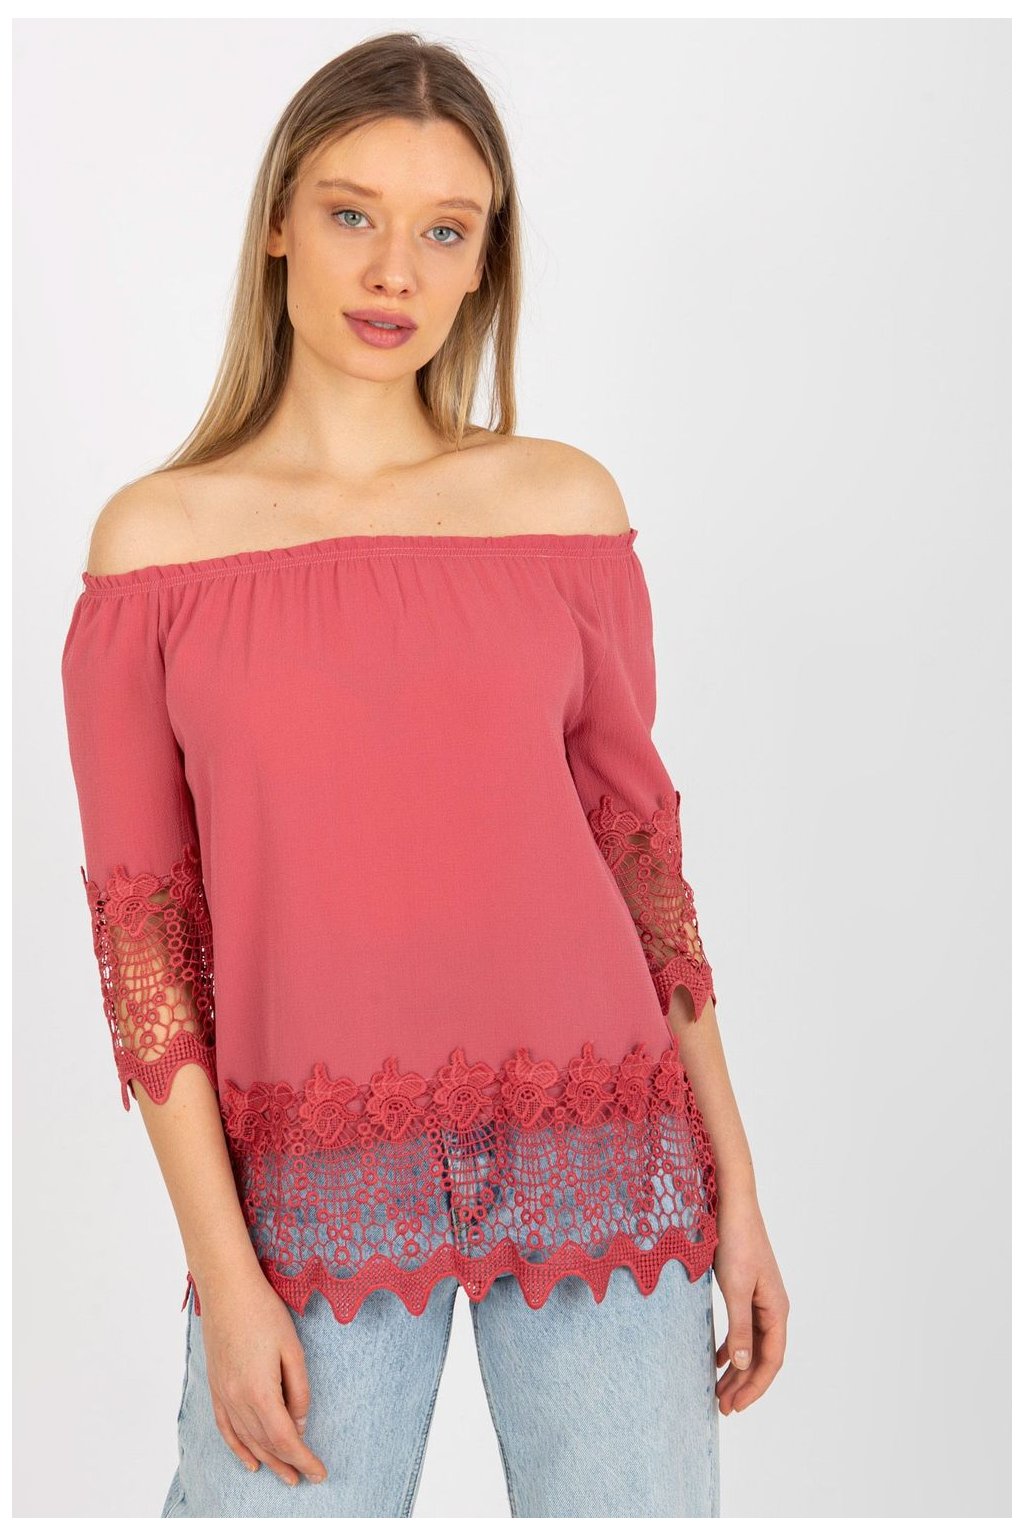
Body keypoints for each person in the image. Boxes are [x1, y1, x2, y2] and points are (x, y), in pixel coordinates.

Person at [60, 31, 788, 1519]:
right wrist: (224, 1275)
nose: (394, 270)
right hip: (308, 1184)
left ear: (481, 264)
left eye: (444, 232)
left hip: (601, 1149)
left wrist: (737, 1188)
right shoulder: (155, 551)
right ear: (279, 220)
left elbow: (642, 872)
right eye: (353, 214)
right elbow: (147, 954)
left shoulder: (560, 511)